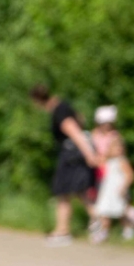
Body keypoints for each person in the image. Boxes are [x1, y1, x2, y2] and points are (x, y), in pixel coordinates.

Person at [30, 84, 102, 246]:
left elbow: (74, 131)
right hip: (74, 153)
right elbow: (80, 120)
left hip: (71, 154)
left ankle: (63, 231)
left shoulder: (58, 110)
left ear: (37, 100)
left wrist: (89, 154)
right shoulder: (63, 105)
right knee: (78, 190)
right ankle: (98, 221)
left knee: (62, 191)